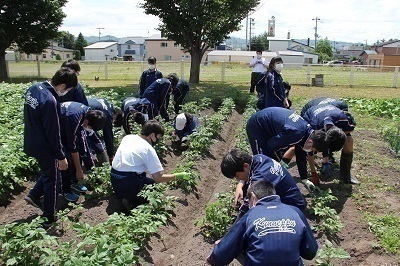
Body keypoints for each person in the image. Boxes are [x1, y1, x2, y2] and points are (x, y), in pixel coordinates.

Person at [206, 180, 318, 266]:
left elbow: (221, 255)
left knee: (238, 244)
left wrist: (214, 255)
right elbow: (311, 252)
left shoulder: (250, 215)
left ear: (253, 197)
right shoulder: (295, 211)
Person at [23, 68, 78, 227]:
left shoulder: (34, 89)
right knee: (52, 180)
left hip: (32, 139)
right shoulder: (50, 101)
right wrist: (61, 156)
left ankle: (33, 195)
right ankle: (49, 217)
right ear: (62, 86)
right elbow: (53, 132)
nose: (66, 93)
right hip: (44, 146)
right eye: (67, 89)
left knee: (48, 173)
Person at [246, 107, 345, 191]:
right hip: (258, 126)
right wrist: (277, 166)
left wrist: (304, 178)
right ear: (311, 143)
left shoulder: (307, 133)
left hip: (270, 126)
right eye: (314, 150)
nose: (313, 153)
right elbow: (271, 146)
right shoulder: (295, 133)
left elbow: (301, 155)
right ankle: (253, 188)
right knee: (263, 161)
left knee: (272, 168)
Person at [110, 120, 190, 210]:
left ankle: (123, 195)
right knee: (154, 192)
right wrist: (178, 175)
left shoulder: (128, 137)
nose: (158, 140)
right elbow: (158, 177)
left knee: (148, 181)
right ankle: (133, 202)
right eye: (158, 137)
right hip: (128, 182)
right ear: (152, 135)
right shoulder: (148, 148)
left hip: (114, 178)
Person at [220, 149, 306, 222]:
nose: (238, 179)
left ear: (246, 166)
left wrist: (230, 236)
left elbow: (246, 209)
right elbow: (249, 174)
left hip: (293, 212)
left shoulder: (261, 177)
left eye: (237, 176)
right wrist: (240, 184)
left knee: (257, 224)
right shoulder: (259, 159)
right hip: (295, 201)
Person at [59, 102, 106, 201]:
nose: (89, 129)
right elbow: (72, 146)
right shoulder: (74, 118)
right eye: (90, 127)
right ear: (86, 122)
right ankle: (64, 190)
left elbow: (82, 142)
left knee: (80, 148)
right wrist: (80, 170)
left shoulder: (89, 112)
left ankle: (74, 181)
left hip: (67, 126)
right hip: (57, 129)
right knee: (66, 157)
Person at [302, 104, 359, 185]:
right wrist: (314, 173)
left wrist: (326, 160)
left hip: (329, 112)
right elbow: (310, 152)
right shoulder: (314, 128)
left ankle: (346, 175)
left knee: (349, 140)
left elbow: (349, 129)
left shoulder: (342, 118)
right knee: (308, 146)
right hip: (310, 111)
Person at [88, 97, 122, 165]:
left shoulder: (106, 103)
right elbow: (108, 134)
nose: (112, 122)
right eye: (114, 121)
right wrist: (111, 155)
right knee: (95, 140)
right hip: (86, 113)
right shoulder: (107, 114)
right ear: (115, 116)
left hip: (84, 106)